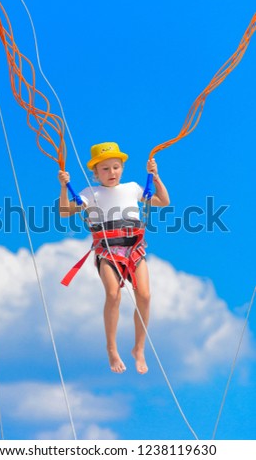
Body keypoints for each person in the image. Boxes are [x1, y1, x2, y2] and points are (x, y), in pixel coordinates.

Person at [58, 142, 170, 374]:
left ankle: (138, 349)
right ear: (96, 173)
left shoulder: (132, 188)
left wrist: (155, 177)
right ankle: (112, 348)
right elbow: (64, 211)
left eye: (116, 167)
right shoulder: (90, 193)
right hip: (107, 251)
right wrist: (63, 186)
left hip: (134, 250)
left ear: (122, 168)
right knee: (112, 294)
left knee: (145, 296)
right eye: (105, 169)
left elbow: (163, 201)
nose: (112, 173)